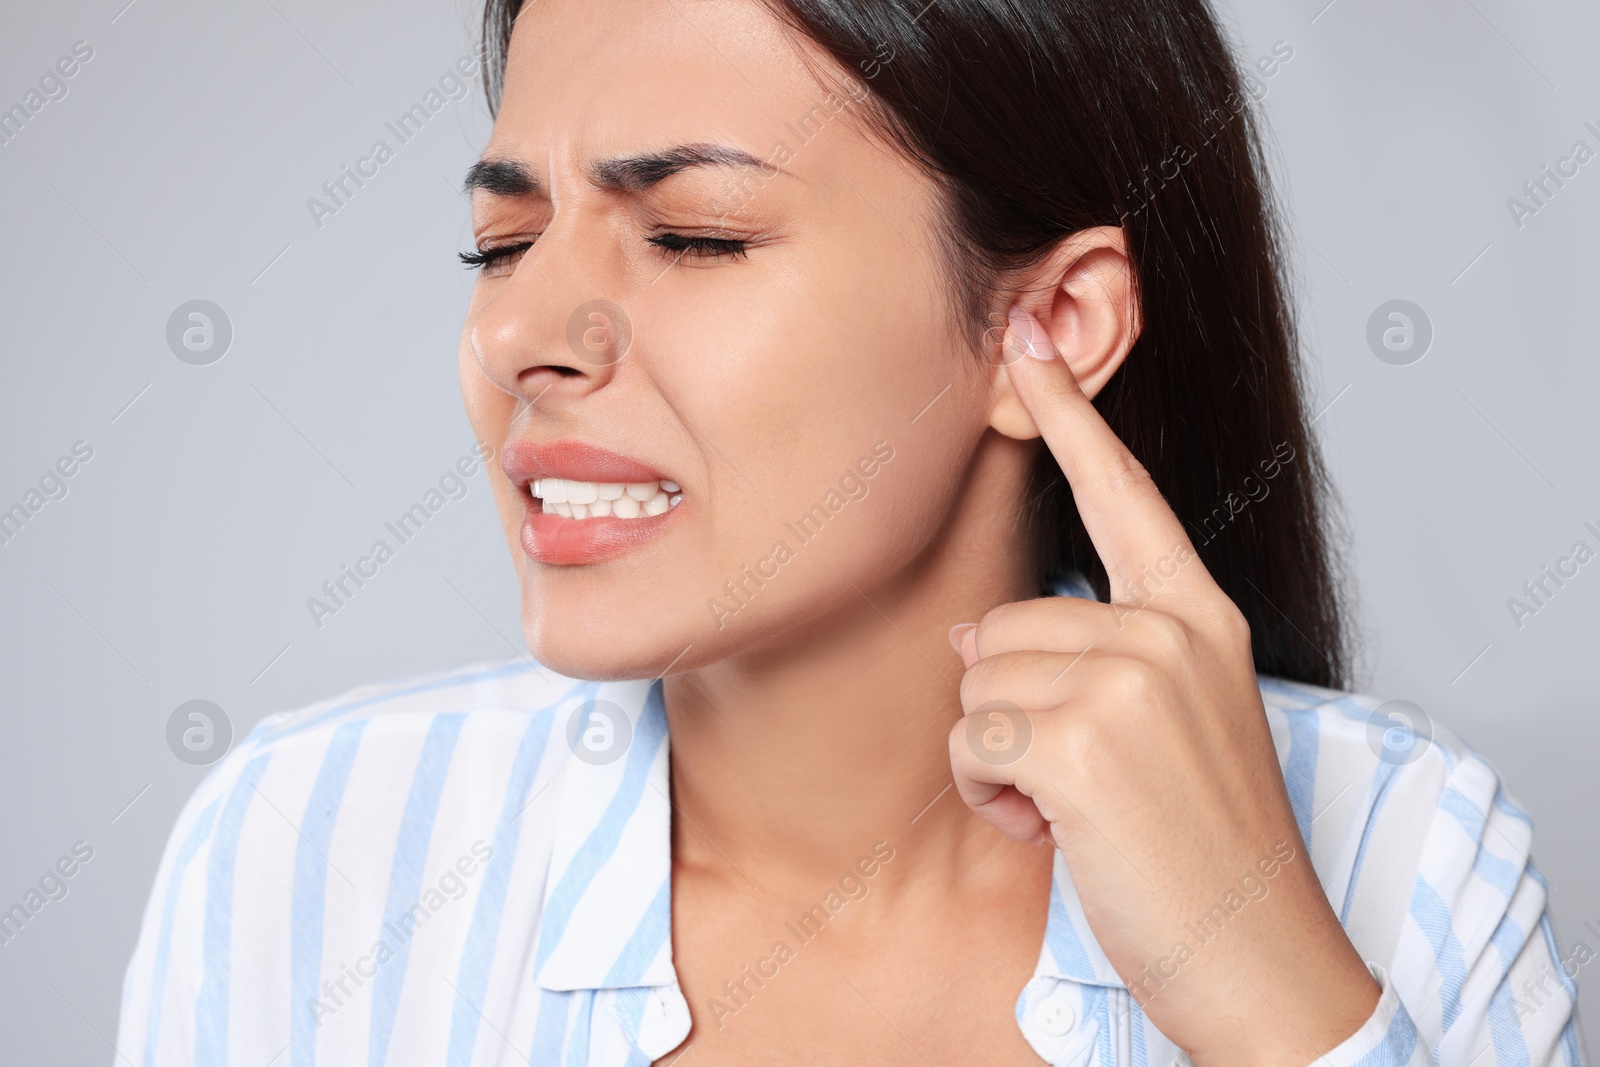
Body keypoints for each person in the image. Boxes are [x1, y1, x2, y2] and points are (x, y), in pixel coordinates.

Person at [116, 0, 1586, 1063]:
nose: (518, 336)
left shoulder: (1407, 847)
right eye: (503, 242)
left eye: (693, 234)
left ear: (1049, 324)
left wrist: (1270, 989)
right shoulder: (312, 847)